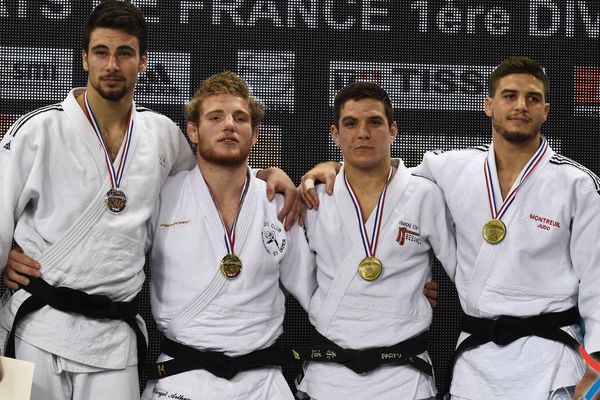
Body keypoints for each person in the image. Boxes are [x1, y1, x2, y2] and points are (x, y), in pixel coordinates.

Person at [0, 1, 298, 399]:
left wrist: (271, 175)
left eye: (125, 53)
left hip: (113, 340)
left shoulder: (162, 136)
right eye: (102, 52)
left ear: (142, 62)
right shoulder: (38, 130)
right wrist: (6, 257)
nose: (112, 65)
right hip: (34, 326)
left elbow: (214, 179)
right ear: (85, 58)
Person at [299, 57, 600, 400]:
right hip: (476, 364)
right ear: (489, 105)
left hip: (553, 362)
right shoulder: (453, 167)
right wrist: (331, 166)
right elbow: (382, 177)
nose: (520, 106)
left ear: (545, 110)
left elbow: (597, 281)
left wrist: (598, 364)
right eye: (509, 96)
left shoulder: (578, 184)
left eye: (532, 98)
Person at [141, 71, 316, 400]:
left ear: (255, 135)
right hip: (181, 378)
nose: (229, 125)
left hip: (262, 383)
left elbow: (318, 292)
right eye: (215, 117)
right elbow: (115, 257)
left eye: (240, 118)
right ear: (193, 131)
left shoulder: (278, 202)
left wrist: (393, 289)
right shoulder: (163, 195)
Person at [293, 82, 456, 400]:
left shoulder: (426, 196)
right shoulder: (314, 198)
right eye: (350, 124)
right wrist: (268, 173)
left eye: (374, 122)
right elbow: (288, 273)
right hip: (326, 376)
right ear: (335, 134)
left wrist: (409, 296)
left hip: (404, 377)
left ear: (393, 130)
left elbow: (466, 274)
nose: (363, 133)